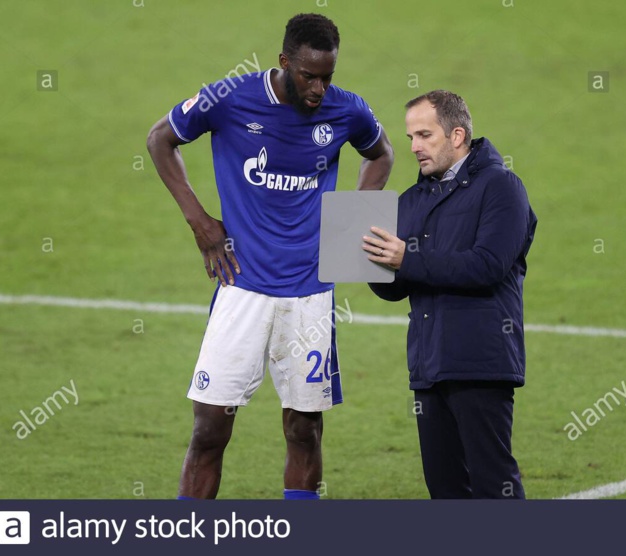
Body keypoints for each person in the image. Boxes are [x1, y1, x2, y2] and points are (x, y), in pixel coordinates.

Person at [146, 13, 393, 500]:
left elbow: (381, 153)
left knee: (304, 429)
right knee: (209, 428)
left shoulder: (346, 110)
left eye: (327, 77)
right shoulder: (229, 98)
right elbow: (160, 139)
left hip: (311, 294)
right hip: (242, 286)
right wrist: (199, 221)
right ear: (284, 62)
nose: (319, 89)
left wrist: (350, 225)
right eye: (309, 76)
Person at [364, 90, 535, 499]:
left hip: (480, 363)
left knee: (493, 485)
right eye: (410, 137)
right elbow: (396, 288)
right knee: (444, 489)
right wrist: (368, 262)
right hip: (428, 365)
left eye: (424, 135)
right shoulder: (412, 200)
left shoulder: (501, 187)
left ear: (457, 135)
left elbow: (487, 266)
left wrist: (406, 258)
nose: (414, 147)